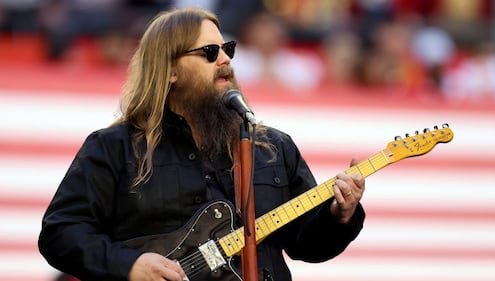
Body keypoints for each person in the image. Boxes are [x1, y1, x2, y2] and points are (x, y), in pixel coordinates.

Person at [38, 7, 366, 281]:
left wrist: (340, 215)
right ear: (170, 71)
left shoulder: (273, 147)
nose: (225, 60)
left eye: (228, 49)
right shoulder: (114, 147)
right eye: (210, 52)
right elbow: (61, 233)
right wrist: (130, 265)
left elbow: (306, 246)